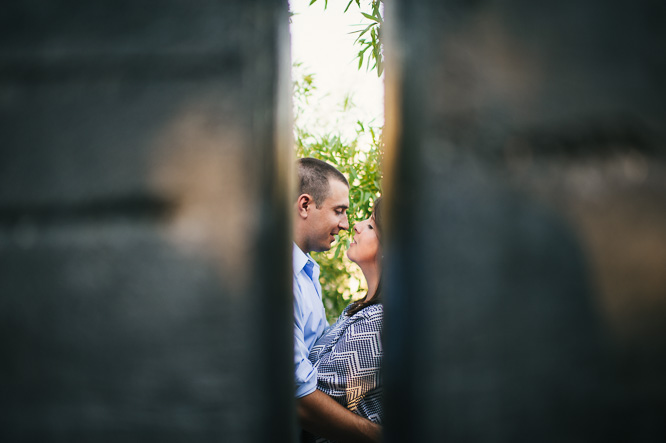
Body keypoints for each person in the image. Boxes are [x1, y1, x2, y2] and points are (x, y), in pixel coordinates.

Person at [293, 158, 381, 442]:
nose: (348, 224)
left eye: (371, 225)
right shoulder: (281, 276)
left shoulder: (305, 273)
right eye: (339, 211)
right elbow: (298, 393)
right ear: (305, 205)